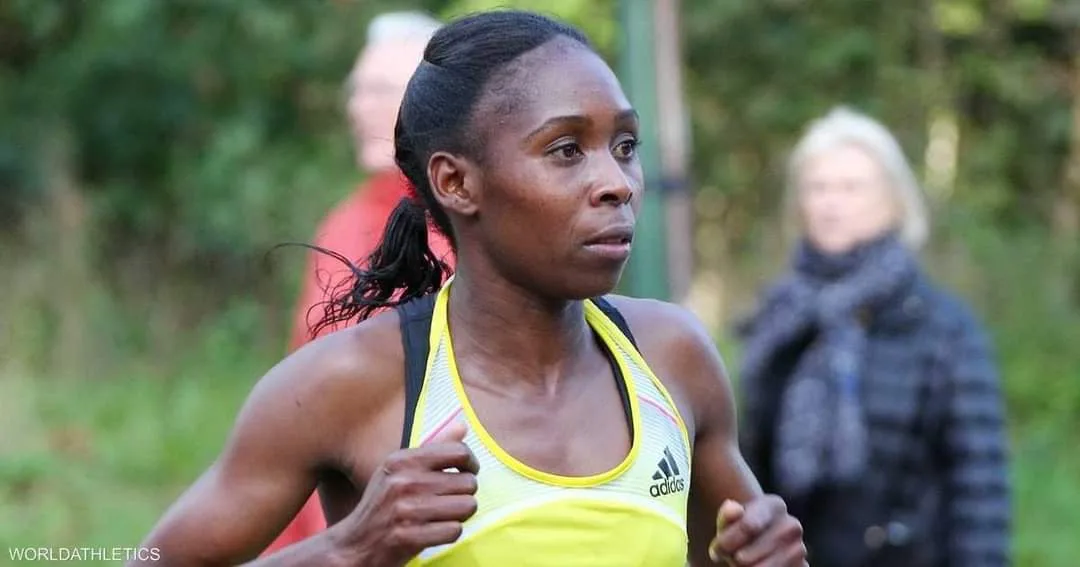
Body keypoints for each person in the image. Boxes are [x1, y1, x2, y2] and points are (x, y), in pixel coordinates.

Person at [131, 11, 807, 566]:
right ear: (456, 183)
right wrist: (346, 551)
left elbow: (719, 551)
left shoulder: (672, 358)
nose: (617, 183)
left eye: (624, 146)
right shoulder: (350, 384)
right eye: (566, 150)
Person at [736, 107, 1010, 567]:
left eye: (851, 187)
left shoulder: (943, 328)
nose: (832, 203)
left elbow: (979, 491)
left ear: (895, 201)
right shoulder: (781, 322)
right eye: (818, 187)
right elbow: (750, 468)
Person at [266, 11, 451, 556]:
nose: (357, 106)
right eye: (356, 90)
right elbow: (301, 378)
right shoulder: (343, 222)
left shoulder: (465, 227)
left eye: (379, 91)